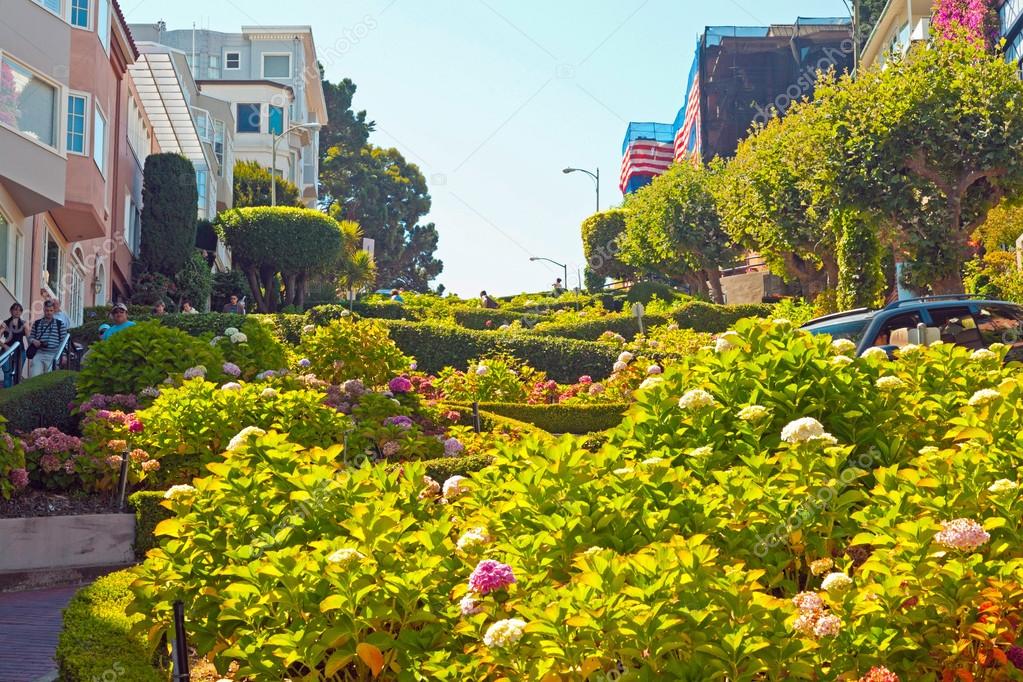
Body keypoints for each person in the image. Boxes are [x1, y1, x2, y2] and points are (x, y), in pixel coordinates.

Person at [27, 300, 67, 377]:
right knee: (34, 377)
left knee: (50, 380)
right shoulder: (37, 323)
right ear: (44, 310)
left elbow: (64, 341)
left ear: (54, 310)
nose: (49, 312)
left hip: (53, 355)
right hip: (39, 354)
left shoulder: (60, 324)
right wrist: (34, 341)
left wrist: (64, 355)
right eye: (47, 310)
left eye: (51, 310)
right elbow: (31, 337)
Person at [1, 303, 26, 388]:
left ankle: (15, 399)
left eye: (19, 310)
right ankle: (7, 399)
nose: (17, 312)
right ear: (11, 311)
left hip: (20, 351)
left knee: (17, 377)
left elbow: (30, 337)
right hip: (7, 352)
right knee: (7, 375)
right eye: (15, 309)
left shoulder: (24, 324)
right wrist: (5, 346)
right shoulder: (5, 323)